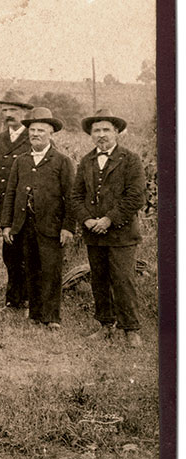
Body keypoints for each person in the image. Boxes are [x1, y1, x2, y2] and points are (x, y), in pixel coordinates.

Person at [71, 109, 146, 347]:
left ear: (116, 132)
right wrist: (87, 220)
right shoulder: (86, 161)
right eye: (97, 131)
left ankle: (131, 329)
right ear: (91, 135)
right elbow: (76, 196)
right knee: (99, 280)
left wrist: (109, 219)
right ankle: (106, 325)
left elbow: (136, 196)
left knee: (123, 280)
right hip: (94, 233)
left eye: (106, 130)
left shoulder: (130, 159)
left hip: (121, 233)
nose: (101, 135)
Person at [0, 107, 75, 330]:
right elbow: (11, 193)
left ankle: (52, 317)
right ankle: (35, 314)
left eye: (41, 130)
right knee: (30, 268)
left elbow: (70, 197)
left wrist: (68, 227)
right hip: (25, 225)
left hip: (51, 227)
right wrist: (7, 225)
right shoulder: (21, 161)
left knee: (51, 270)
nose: (36, 134)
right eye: (32, 130)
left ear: (50, 133)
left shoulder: (62, 161)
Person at [0, 90, 34, 310]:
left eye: (14, 110)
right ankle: (12, 300)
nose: (9, 114)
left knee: (27, 254)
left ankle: (27, 300)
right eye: (5, 110)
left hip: (27, 208)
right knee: (10, 255)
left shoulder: (33, 136)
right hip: (5, 208)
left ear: (25, 112)